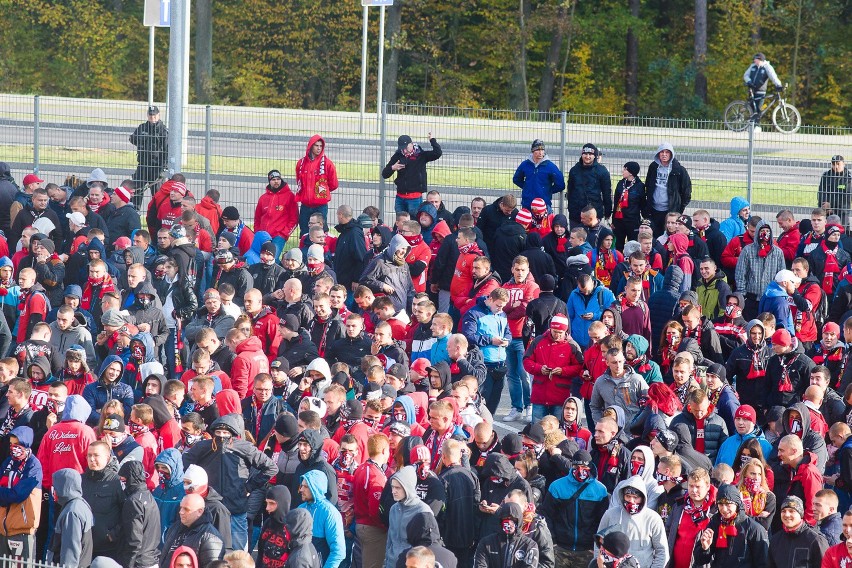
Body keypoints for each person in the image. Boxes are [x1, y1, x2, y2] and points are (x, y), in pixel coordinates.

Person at [182, 414, 278, 552]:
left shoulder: (244, 447)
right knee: (208, 552)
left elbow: (271, 467)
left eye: (225, 432)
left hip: (236, 509)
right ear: (213, 432)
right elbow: (183, 465)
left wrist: (248, 487)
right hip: (210, 509)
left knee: (237, 555)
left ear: (232, 434)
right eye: (218, 432)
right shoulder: (203, 447)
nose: (221, 436)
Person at [539, 450, 608, 567]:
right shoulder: (557, 486)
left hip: (587, 550)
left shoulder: (600, 490)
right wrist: (553, 542)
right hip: (560, 549)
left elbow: (602, 521)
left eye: (584, 466)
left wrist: (595, 546)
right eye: (576, 466)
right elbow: (547, 515)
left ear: (590, 467)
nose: (580, 470)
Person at [597, 477, 668, 568]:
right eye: (628, 496)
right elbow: (599, 544)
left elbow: (662, 551)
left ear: (642, 498)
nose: (631, 501)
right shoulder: (610, 515)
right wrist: (600, 564)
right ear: (623, 496)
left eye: (635, 497)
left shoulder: (653, 519)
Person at [693, 483, 768, 568]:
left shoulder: (754, 529)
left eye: (728, 504)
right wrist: (705, 548)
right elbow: (700, 560)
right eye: (720, 504)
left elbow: (763, 563)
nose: (724, 509)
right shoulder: (715, 523)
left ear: (737, 504)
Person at [0, 426, 42, 560]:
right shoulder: (8, 462)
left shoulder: (34, 465)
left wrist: (6, 495)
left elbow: (18, 495)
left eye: (17, 444)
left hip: (22, 529)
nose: (13, 448)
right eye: (11, 444)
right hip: (2, 528)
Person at [382, 133, 443, 215]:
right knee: (401, 221)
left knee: (414, 222)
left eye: (406, 148)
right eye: (402, 149)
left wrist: (432, 140)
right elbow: (384, 174)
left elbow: (437, 153)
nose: (404, 151)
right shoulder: (398, 156)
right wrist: (393, 168)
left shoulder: (421, 155)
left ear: (411, 144)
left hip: (415, 198)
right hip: (400, 197)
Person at [160, 493, 225, 568]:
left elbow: (214, 565)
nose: (181, 512)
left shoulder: (210, 537)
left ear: (200, 511)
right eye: (181, 507)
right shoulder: (175, 527)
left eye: (186, 509)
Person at [117, 460, 162, 568]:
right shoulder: (149, 496)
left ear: (129, 478)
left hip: (139, 562)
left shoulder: (133, 501)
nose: (122, 482)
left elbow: (134, 541)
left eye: (123, 479)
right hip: (151, 559)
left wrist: (128, 564)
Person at [298, 470, 345, 568]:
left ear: (315, 488)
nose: (301, 489)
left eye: (305, 486)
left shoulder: (329, 512)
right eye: (301, 486)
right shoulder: (300, 509)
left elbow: (338, 551)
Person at [642, 143, 691, 237]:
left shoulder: (679, 170)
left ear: (671, 154)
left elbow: (686, 192)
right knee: (654, 236)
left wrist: (678, 209)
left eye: (667, 152)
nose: (664, 154)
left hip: (670, 210)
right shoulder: (653, 167)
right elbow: (648, 186)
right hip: (654, 210)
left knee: (669, 236)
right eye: (662, 152)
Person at [48, 468, 94, 568]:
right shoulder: (81, 504)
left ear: (63, 487)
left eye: (55, 487)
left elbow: (70, 552)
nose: (53, 490)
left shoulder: (72, 513)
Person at [474, 501, 539, 568]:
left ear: (519, 520)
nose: (509, 522)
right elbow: (480, 565)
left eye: (512, 519)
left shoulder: (529, 545)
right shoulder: (486, 543)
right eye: (505, 518)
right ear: (500, 520)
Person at [767, 496, 827, 568]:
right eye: (783, 511)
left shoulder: (815, 540)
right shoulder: (775, 540)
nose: (787, 514)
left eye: (792, 511)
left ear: (800, 514)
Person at [566, 143, 611, 228]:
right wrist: (571, 209)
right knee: (575, 239)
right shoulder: (574, 170)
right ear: (582, 154)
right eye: (585, 154)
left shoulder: (602, 171)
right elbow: (570, 191)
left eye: (590, 154)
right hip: (576, 214)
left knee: (593, 239)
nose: (587, 156)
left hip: (593, 214)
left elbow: (606, 193)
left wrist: (608, 212)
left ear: (595, 156)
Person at [256, 170, 299, 258]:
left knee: (272, 258)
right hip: (263, 235)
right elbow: (257, 218)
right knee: (260, 258)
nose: (276, 181)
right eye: (273, 179)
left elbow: (294, 219)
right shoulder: (263, 198)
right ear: (269, 181)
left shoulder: (289, 196)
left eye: (278, 179)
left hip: (278, 236)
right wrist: (258, 233)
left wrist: (284, 233)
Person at [513, 139, 565, 210]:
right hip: (527, 204)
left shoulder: (550, 166)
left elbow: (560, 184)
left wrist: (547, 191)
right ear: (533, 151)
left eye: (542, 150)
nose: (540, 153)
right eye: (537, 150)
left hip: (544, 205)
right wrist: (527, 188)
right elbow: (516, 179)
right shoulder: (525, 164)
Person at [130, 105, 169, 199]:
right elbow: (132, 139)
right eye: (151, 116)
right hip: (143, 165)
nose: (153, 118)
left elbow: (167, 149)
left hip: (157, 167)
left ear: (159, 115)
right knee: (137, 191)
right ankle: (135, 211)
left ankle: (156, 213)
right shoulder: (142, 127)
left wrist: (163, 168)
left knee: (157, 195)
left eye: (155, 116)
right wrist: (141, 141)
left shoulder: (163, 131)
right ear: (147, 116)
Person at [743, 53, 783, 123]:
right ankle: (751, 125)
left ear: (760, 59)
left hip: (761, 92)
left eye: (755, 59)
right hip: (752, 90)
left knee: (760, 109)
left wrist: (779, 85)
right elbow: (746, 75)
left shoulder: (767, 67)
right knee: (751, 108)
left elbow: (773, 77)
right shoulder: (752, 66)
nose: (754, 60)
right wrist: (749, 81)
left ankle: (756, 125)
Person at [818, 156, 851, 224]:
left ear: (843, 164)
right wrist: (826, 207)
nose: (836, 166)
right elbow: (821, 192)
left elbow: (847, 197)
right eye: (833, 164)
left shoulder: (848, 178)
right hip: (826, 211)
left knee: (843, 232)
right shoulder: (826, 176)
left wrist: (831, 206)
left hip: (842, 212)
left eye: (838, 164)